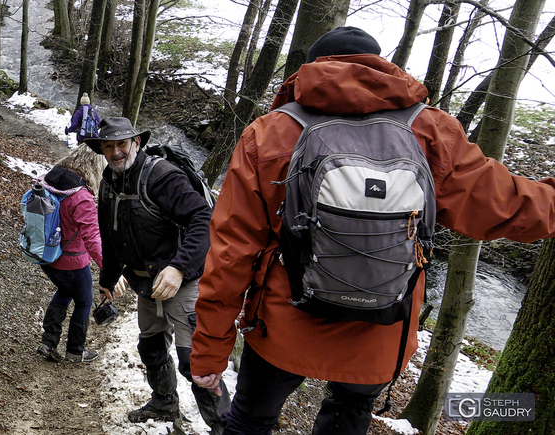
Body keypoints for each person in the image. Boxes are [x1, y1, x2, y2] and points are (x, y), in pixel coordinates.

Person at [190, 26, 555, 435]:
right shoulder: (431, 131)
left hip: (283, 324)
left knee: (250, 420)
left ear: (310, 67)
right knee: (349, 414)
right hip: (381, 330)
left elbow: (231, 253)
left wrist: (210, 351)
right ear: (382, 65)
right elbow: (506, 205)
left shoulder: (270, 132)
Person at [85, 117, 229, 432]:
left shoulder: (162, 177)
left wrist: (178, 268)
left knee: (197, 363)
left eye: (122, 143)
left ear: (137, 143)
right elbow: (110, 237)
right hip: (146, 284)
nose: (115, 151)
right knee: (151, 348)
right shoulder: (109, 182)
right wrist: (108, 278)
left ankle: (224, 427)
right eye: (108, 146)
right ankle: (164, 403)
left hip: (185, 282)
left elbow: (202, 219)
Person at [35, 144, 107, 363]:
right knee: (84, 301)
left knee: (65, 291)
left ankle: (47, 343)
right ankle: (76, 351)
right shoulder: (82, 197)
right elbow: (93, 239)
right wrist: (109, 267)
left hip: (45, 256)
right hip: (71, 262)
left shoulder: (47, 180)